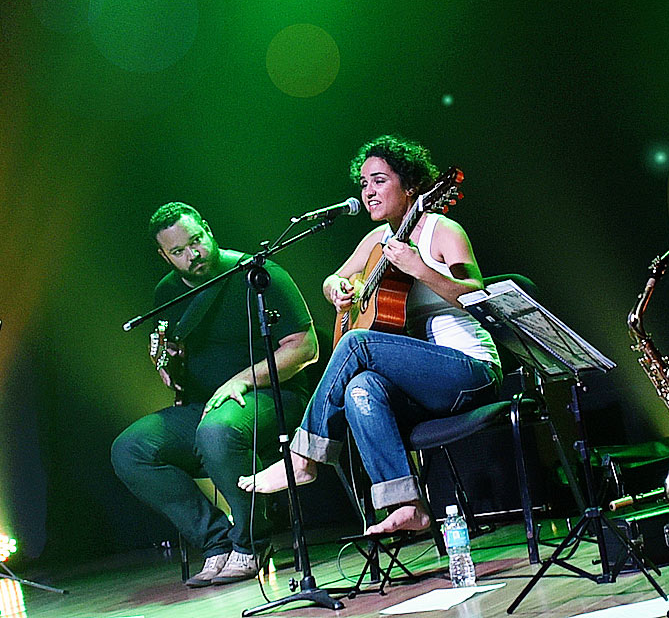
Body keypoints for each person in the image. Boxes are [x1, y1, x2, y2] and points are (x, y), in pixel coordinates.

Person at [240, 135, 501, 535]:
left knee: (356, 343)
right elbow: (334, 280)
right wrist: (339, 290)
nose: (368, 192)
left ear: (410, 184)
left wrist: (420, 268)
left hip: (469, 371)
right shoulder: (375, 242)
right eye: (363, 184)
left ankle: (303, 457)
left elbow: (479, 297)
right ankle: (407, 504)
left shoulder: (441, 229)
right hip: (420, 387)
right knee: (360, 388)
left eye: (378, 180)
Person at [111, 202, 318, 588]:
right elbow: (176, 363)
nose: (194, 255)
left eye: (197, 241)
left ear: (206, 228)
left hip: (273, 398)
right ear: (164, 256)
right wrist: (168, 366)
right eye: (178, 252)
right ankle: (216, 542)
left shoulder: (256, 272)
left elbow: (305, 347)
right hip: (205, 407)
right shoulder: (167, 292)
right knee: (130, 449)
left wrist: (240, 379)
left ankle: (251, 541)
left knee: (215, 431)